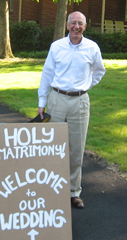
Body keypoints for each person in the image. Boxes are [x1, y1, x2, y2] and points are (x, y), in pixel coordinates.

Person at [37, 11, 106, 209]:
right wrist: (42, 102)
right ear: (67, 25)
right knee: (52, 147)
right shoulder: (56, 47)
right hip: (57, 99)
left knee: (77, 148)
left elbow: (99, 71)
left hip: (80, 102)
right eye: (73, 23)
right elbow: (47, 74)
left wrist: (85, 86)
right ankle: (50, 189)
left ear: (85, 26)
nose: (76, 27)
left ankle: (73, 192)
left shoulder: (92, 47)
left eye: (80, 24)